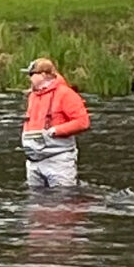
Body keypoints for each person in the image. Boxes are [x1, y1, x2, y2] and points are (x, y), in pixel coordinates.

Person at [20, 58, 90, 188]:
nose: (29, 78)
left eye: (31, 74)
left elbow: (83, 122)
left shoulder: (66, 94)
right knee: (35, 202)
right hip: (34, 161)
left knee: (62, 201)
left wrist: (55, 131)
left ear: (43, 75)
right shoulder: (32, 96)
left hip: (59, 161)